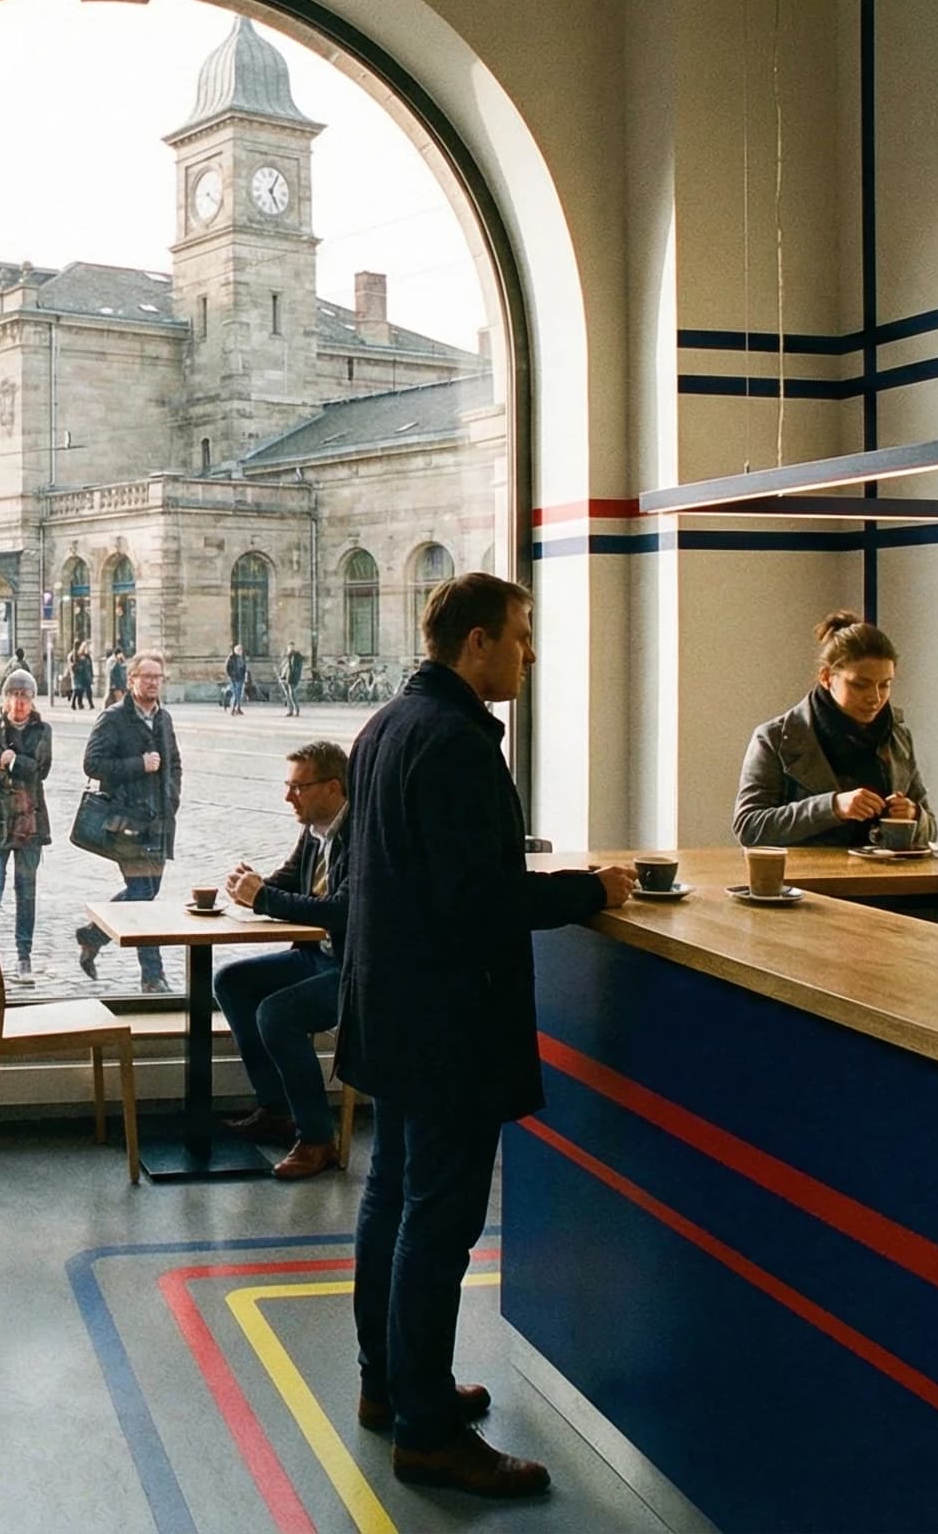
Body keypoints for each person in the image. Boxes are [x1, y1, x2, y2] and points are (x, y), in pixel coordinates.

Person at [339, 573, 634, 1496]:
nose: (531, 652)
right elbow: (480, 900)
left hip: (390, 1011)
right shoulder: (461, 745)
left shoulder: (387, 725)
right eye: (521, 634)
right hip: (448, 1024)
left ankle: (391, 1382)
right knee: (438, 1221)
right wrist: (594, 889)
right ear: (476, 643)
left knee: (391, 1202)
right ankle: (428, 1431)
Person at [216, 741, 351, 1178]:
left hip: (356, 969)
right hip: (318, 956)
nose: (287, 797)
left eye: (298, 787)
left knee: (278, 1014)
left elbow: (342, 911)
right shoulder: (313, 831)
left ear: (332, 788)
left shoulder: (362, 836)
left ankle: (317, 1139)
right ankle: (277, 1109)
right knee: (232, 981)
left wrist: (264, 897)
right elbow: (286, 885)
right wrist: (249, 888)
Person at [734, 612, 935, 847]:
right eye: (860, 685)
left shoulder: (898, 737)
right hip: (805, 881)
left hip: (885, 880)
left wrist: (913, 815)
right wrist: (832, 807)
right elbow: (748, 826)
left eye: (885, 684)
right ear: (827, 677)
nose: (875, 697)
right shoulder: (775, 737)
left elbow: (931, 830)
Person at [73, 652, 182, 993]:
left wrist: (172, 796)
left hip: (160, 821)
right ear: (131, 679)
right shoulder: (114, 718)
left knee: (149, 891)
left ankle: (93, 935)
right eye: (146, 676)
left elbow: (174, 763)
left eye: (157, 676)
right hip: (127, 824)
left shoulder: (163, 718)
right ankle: (153, 976)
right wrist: (138, 764)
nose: (152, 682)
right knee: (141, 896)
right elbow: (92, 764)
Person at [0, 670, 53, 984]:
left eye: (25, 697)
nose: (19, 702)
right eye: (14, 696)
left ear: (32, 701)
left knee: (26, 892)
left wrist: (13, 759)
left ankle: (23, 957)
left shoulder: (42, 730)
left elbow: (40, 769)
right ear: (5, 699)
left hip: (28, 822)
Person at [226, 643, 249, 715]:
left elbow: (244, 668)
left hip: (240, 678)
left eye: (242, 650)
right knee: (236, 694)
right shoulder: (232, 658)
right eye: (240, 650)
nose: (241, 651)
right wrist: (231, 676)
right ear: (236, 650)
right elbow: (227, 668)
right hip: (235, 678)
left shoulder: (242, 658)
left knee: (239, 694)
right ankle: (233, 709)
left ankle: (238, 708)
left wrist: (245, 677)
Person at [70, 643, 94, 711]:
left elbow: (90, 666)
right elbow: (74, 664)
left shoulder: (87, 657)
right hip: (80, 676)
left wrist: (91, 675)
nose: (86, 649)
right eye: (84, 647)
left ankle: (91, 704)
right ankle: (75, 704)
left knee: (88, 691)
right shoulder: (77, 655)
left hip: (86, 675)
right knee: (78, 691)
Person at [283, 644, 305, 717]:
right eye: (289, 648)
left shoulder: (296, 657)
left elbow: (295, 669)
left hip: (293, 678)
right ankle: (291, 710)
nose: (289, 649)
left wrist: (294, 676)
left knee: (292, 694)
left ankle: (296, 710)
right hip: (288, 677)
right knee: (289, 695)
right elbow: (287, 667)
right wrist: (283, 675)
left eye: (291, 648)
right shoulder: (289, 657)